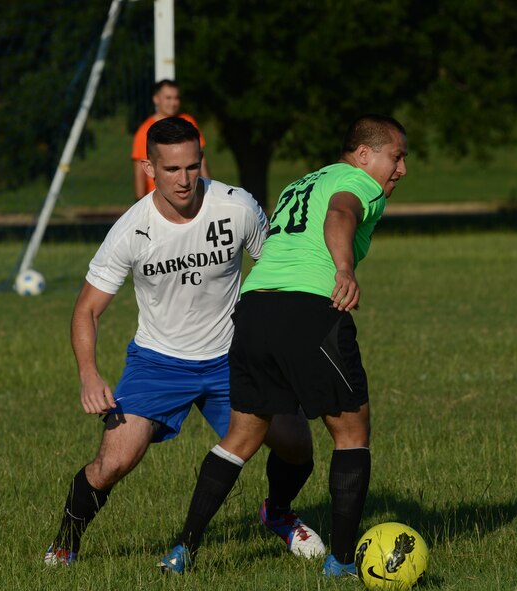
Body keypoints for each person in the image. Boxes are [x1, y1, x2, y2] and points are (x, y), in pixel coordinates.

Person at [45, 117, 323, 567]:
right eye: (172, 169)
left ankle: (278, 515)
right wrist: (88, 373)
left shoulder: (237, 206)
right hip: (158, 363)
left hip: (234, 358)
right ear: (150, 167)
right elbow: (86, 309)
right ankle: (64, 544)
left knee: (298, 447)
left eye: (192, 166)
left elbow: (276, 268)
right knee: (113, 463)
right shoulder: (131, 230)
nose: (185, 179)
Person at [159, 114, 409, 577]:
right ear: (363, 155)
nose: (401, 170)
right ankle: (340, 563)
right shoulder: (359, 182)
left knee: (241, 437)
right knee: (352, 435)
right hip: (308, 312)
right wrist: (344, 269)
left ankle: (182, 551)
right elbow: (341, 214)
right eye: (396, 157)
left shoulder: (302, 182)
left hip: (254, 311)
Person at [131, 79, 211, 200]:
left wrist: (210, 193)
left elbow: (201, 162)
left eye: (176, 98)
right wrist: (140, 203)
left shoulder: (188, 122)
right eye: (168, 98)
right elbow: (140, 172)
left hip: (191, 195)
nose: (173, 103)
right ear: (156, 99)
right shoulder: (144, 131)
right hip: (160, 199)